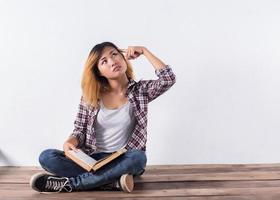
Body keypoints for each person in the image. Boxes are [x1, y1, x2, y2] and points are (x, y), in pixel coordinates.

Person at [29, 42, 176, 193]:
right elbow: (79, 130)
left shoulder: (140, 91)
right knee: (47, 157)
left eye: (114, 54)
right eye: (104, 61)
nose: (112, 62)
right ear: (99, 71)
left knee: (139, 158)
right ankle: (112, 182)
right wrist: (70, 142)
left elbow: (168, 79)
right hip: (92, 160)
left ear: (123, 57)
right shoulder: (91, 97)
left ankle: (71, 184)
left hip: (123, 159)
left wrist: (144, 51)